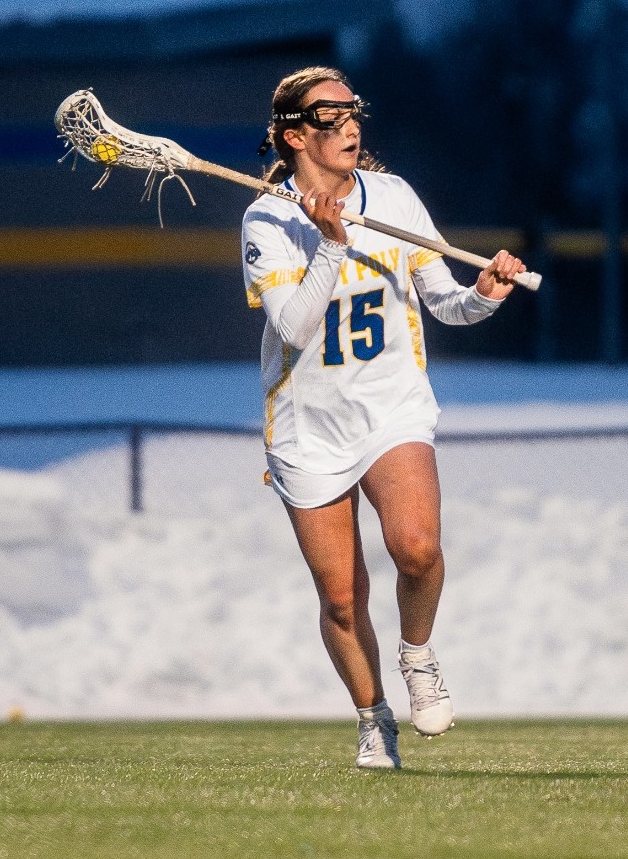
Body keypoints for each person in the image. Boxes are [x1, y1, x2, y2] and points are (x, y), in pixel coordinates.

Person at [241, 67, 526, 769]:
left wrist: (484, 294)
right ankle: (373, 720)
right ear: (292, 134)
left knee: (417, 547)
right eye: (327, 114)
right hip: (308, 426)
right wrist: (331, 244)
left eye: (352, 110)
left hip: (391, 406)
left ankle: (418, 654)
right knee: (341, 598)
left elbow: (446, 303)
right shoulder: (266, 218)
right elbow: (295, 325)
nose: (348, 124)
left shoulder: (392, 196)